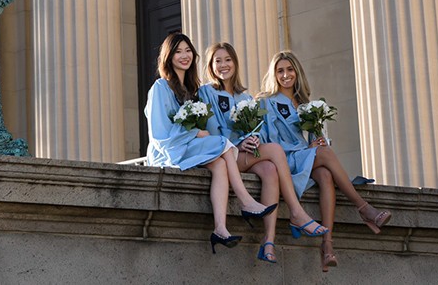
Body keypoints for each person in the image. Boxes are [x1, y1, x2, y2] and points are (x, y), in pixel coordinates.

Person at [258, 50, 392, 273]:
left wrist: (318, 141)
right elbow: (268, 142)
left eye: (289, 69)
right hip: (286, 161)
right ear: (274, 74)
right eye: (280, 71)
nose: (285, 75)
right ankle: (364, 209)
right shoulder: (267, 103)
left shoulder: (306, 104)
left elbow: (315, 139)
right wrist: (311, 149)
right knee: (326, 154)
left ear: (297, 72)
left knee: (326, 174)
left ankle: (327, 245)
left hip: (307, 160)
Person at [145, 32, 276, 254]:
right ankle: (246, 201)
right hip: (169, 149)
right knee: (221, 143)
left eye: (188, 51)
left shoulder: (189, 89)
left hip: (188, 146)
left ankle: (220, 229)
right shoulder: (160, 87)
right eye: (178, 52)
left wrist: (196, 132)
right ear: (168, 56)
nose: (184, 56)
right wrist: (195, 133)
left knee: (219, 164)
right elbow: (160, 133)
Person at [199, 42, 327, 264]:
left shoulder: (246, 98)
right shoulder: (206, 92)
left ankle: (268, 242)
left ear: (235, 63)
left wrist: (253, 137)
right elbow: (211, 133)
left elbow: (257, 130)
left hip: (245, 154)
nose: (223, 65)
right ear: (210, 65)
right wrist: (238, 144)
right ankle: (296, 212)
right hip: (224, 155)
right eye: (217, 61)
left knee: (269, 169)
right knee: (275, 150)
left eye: (227, 59)